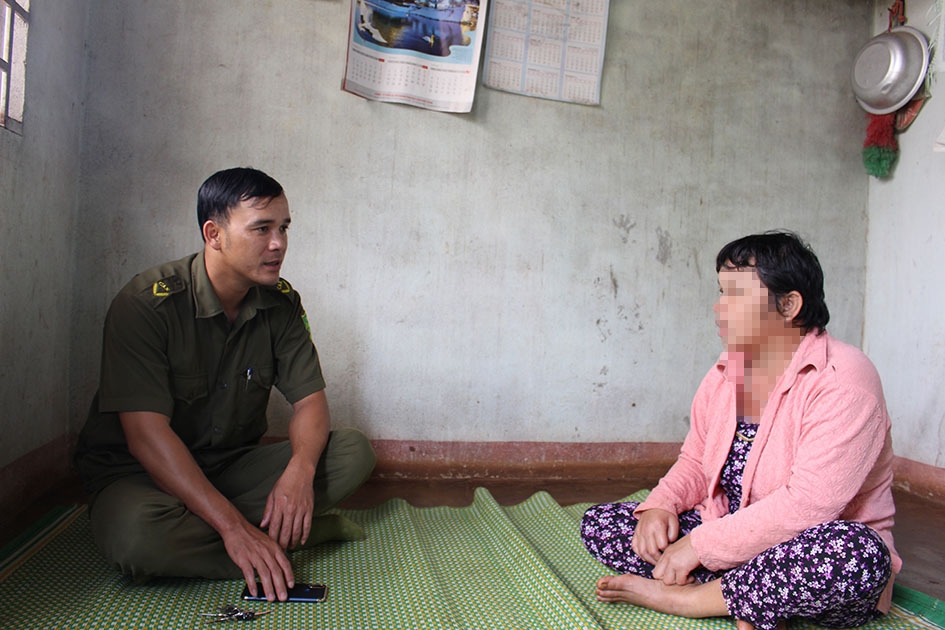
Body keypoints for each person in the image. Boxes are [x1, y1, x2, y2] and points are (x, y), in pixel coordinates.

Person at [74, 167, 376, 602]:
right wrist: (233, 528)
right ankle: (287, 538)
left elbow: (310, 402)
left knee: (350, 451)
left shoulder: (282, 304)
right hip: (138, 474)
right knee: (138, 537)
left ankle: (212, 539)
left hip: (228, 467)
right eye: (262, 229)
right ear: (214, 234)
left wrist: (299, 473)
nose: (279, 244)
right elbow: (145, 436)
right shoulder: (146, 306)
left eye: (284, 228)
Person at [581, 231, 899, 630]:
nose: (718, 309)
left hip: (806, 549)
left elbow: (808, 506)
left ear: (789, 305)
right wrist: (661, 504)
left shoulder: (844, 380)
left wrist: (697, 546)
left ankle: (692, 599)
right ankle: (750, 595)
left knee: (856, 557)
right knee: (603, 524)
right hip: (734, 537)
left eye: (734, 295)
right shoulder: (729, 370)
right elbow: (695, 459)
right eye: (720, 293)